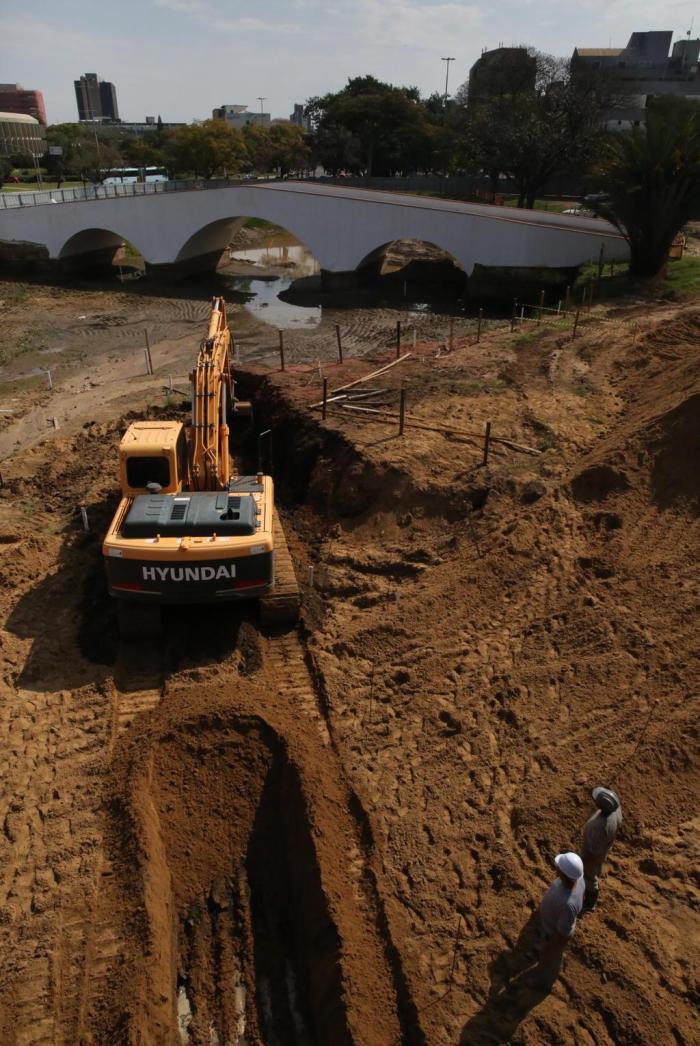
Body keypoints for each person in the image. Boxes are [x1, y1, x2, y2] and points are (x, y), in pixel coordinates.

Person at [536, 852, 585, 984]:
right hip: (552, 921)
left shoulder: (567, 904)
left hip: (552, 934)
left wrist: (549, 947)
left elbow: (563, 934)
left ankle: (544, 982)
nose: (556, 867)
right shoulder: (579, 879)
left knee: (550, 959)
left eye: (559, 868)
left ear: (563, 874)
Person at [581, 786, 622, 910]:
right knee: (595, 867)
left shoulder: (599, 827)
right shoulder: (617, 810)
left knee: (590, 876)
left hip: (594, 853)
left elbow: (592, 851)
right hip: (604, 846)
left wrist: (584, 860)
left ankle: (590, 902)